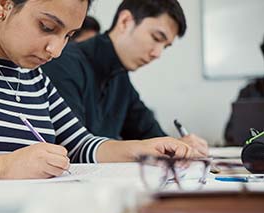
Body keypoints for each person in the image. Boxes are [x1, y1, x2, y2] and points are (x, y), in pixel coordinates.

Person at [0, 0, 201, 188]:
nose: (56, 50)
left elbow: (82, 145)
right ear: (3, 4)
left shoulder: (32, 76)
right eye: (46, 27)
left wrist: (143, 149)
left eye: (68, 35)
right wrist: (0, 166)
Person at [42, 0, 209, 155]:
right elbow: (73, 148)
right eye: (156, 38)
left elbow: (152, 136)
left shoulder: (120, 78)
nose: (157, 54)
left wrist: (179, 145)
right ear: (125, 21)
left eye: (165, 46)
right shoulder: (64, 63)